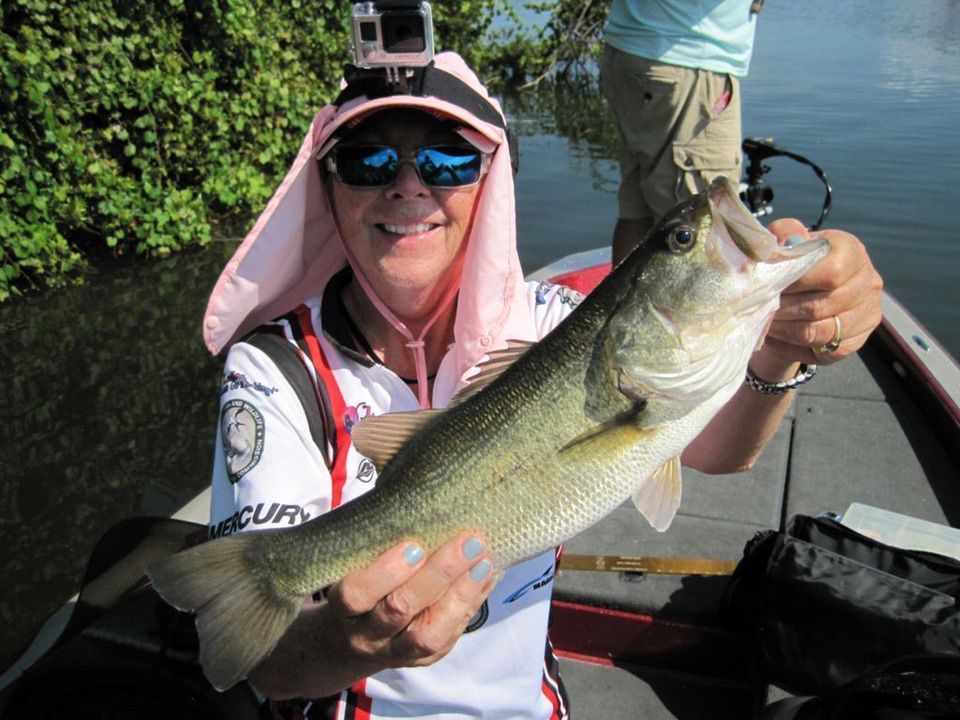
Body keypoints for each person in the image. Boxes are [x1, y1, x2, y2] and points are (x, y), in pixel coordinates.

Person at [200, 50, 882, 718]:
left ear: (493, 181)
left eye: (448, 160)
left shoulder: (555, 325)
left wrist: (785, 350)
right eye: (367, 161)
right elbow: (272, 670)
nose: (408, 186)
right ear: (328, 188)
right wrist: (348, 644)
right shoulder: (274, 370)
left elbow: (724, 452)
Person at [601, 0, 762, 266]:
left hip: (636, 50)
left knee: (638, 208)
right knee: (705, 225)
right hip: (688, 61)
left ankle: (622, 309)